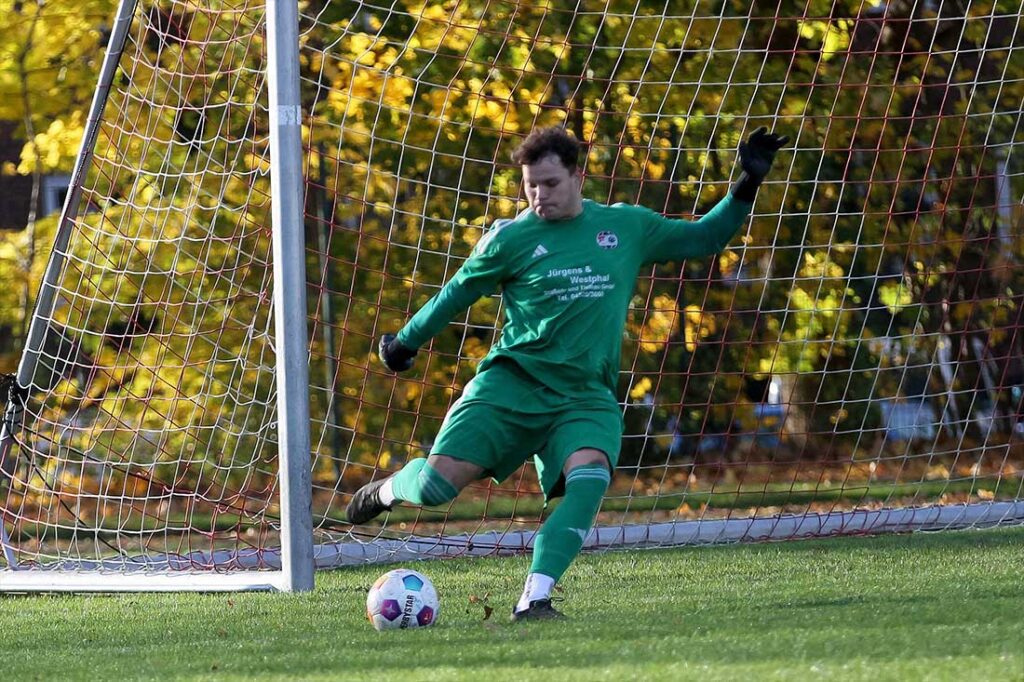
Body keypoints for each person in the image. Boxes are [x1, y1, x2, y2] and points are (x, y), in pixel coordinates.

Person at [347, 125, 788, 620]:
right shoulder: (509, 239)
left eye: (550, 183)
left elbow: (705, 238)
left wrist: (746, 182)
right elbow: (456, 294)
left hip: (583, 395)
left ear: (579, 176)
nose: (539, 195)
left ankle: (535, 598)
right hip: (510, 386)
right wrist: (404, 342)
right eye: (530, 184)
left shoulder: (625, 228)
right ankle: (386, 490)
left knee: (590, 475)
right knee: (435, 490)